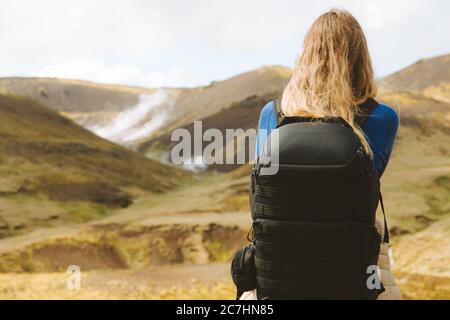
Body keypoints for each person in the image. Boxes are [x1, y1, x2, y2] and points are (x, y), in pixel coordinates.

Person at [246, 9, 400, 300]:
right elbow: (368, 183)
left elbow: (260, 189)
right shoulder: (383, 118)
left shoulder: (272, 115)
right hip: (352, 274)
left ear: (305, 55)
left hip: (276, 272)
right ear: (361, 59)